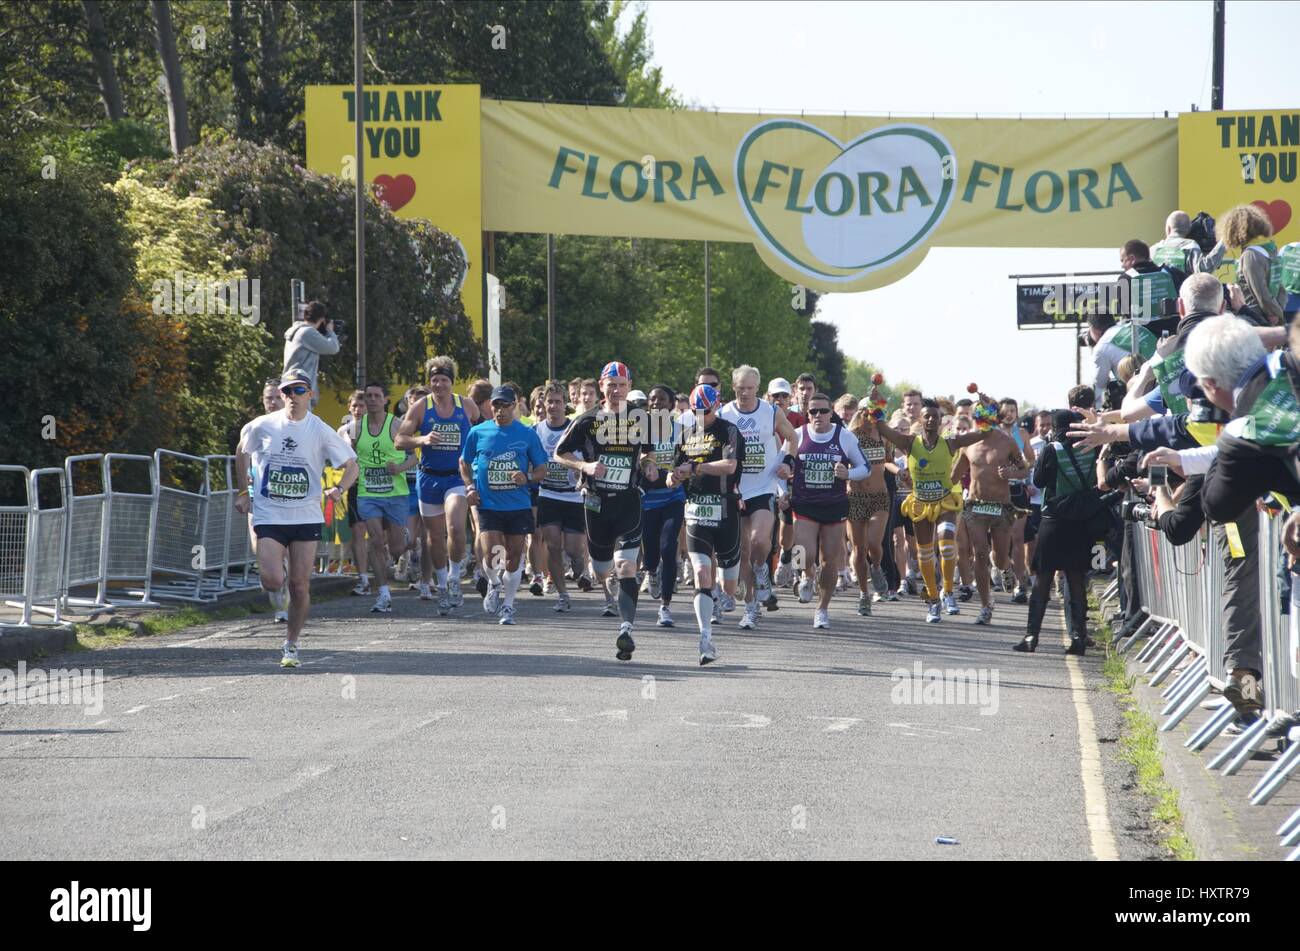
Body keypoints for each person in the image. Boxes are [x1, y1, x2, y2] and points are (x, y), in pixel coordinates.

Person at [235, 369, 358, 668]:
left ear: (310, 394)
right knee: (273, 579)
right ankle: (281, 566)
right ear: (281, 395)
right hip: (270, 512)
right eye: (288, 391)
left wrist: (339, 488)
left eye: (299, 391)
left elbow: (352, 465)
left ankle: (291, 643)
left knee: (300, 586)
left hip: (305, 516)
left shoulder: (320, 429)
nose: (293, 397)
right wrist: (242, 491)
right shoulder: (262, 425)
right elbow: (241, 451)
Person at [555, 361, 661, 661]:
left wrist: (649, 465)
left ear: (629, 387)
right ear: (602, 386)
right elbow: (559, 453)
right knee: (603, 570)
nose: (616, 390)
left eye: (622, 385)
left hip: (628, 501)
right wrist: (584, 466)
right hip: (596, 503)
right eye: (611, 385)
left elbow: (647, 452)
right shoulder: (587, 421)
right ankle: (603, 575)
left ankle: (626, 628)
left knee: (627, 566)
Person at [867, 395, 996, 623]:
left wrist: (987, 408)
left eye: (935, 417)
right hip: (920, 504)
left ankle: (948, 592)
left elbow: (985, 433)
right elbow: (880, 426)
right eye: (926, 416)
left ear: (941, 421)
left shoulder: (951, 442)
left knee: (946, 544)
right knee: (924, 553)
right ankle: (933, 600)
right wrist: (876, 402)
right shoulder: (909, 442)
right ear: (921, 418)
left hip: (945, 501)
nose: (930, 420)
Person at [395, 356, 480, 615]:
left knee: (454, 526)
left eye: (444, 380)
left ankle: (454, 577)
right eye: (434, 380)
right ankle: (442, 585)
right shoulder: (421, 407)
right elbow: (400, 440)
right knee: (434, 537)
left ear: (451, 382)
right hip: (428, 476)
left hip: (456, 475)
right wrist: (423, 439)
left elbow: (479, 431)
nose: (439, 385)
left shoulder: (466, 405)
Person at [460, 386, 549, 626]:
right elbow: (464, 462)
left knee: (513, 557)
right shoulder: (478, 432)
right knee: (492, 555)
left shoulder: (527, 434)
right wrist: (469, 487)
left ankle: (508, 605)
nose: (499, 410)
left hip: (518, 506)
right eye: (495, 405)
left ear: (515, 406)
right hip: (488, 504)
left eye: (505, 405)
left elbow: (542, 469)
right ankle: (494, 582)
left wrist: (527, 477)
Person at [720, 365, 797, 630]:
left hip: (763, 486)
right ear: (734, 387)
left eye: (750, 388)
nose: (745, 393)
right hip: (736, 488)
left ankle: (763, 568)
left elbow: (792, 436)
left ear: (758, 389)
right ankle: (751, 608)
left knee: (759, 541)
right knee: (743, 550)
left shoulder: (770, 411)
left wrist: (787, 462)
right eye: (740, 388)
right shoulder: (724, 413)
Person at [669, 384, 741, 663]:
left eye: (706, 410)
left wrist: (697, 467)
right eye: (696, 410)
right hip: (696, 510)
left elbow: (730, 465)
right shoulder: (685, 435)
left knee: (728, 585)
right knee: (701, 571)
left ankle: (729, 593)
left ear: (717, 405)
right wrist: (672, 477)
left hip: (725, 509)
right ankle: (705, 639)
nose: (701, 415)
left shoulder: (728, 431)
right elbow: (675, 471)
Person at [1015, 410, 1096, 654]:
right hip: (1081, 519)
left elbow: (1038, 481)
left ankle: (1031, 637)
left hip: (1054, 517)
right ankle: (1079, 639)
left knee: (1043, 578)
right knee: (1075, 578)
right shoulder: (1091, 447)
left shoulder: (1053, 448)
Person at [790, 392, 870, 629]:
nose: (818, 415)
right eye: (813, 411)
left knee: (830, 561)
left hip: (834, 505)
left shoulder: (844, 437)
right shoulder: (797, 435)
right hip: (804, 502)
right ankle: (804, 575)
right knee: (801, 550)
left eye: (823, 411)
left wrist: (849, 474)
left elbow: (864, 467)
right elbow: (778, 465)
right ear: (808, 414)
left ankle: (822, 609)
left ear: (831, 413)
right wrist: (780, 490)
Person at [951, 402, 1030, 625]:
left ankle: (1004, 569)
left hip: (1001, 507)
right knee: (981, 553)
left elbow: (1025, 469)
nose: (981, 423)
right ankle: (986, 605)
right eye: (978, 418)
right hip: (975, 506)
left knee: (1000, 555)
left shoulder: (1007, 442)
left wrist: (1011, 472)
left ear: (993, 419)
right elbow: (955, 475)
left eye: (984, 418)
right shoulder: (968, 443)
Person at [351, 382, 416, 614]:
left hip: (396, 493)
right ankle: (383, 593)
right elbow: (350, 457)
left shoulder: (397, 425)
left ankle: (405, 538)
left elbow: (414, 458)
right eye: (368, 396)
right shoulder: (355, 428)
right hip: (368, 493)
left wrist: (399, 468)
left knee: (398, 548)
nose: (372, 400)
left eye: (377, 396)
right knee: (376, 541)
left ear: (385, 399)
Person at [533, 383, 588, 613]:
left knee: (574, 548)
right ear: (544, 404)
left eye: (557, 401)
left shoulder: (575, 428)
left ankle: (578, 564)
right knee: (553, 545)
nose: (553, 406)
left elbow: (587, 458)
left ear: (564, 404)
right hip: (548, 493)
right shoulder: (536, 431)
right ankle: (563, 594)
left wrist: (580, 470)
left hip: (573, 496)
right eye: (549, 402)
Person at [640, 384, 687, 627]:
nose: (656, 403)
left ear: (671, 404)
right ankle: (650, 570)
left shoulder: (681, 431)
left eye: (661, 399)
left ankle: (665, 607)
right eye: (652, 399)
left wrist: (678, 474)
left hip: (673, 497)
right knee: (650, 550)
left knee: (668, 547)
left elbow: (690, 460)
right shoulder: (641, 431)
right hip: (648, 500)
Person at [846, 404, 893, 614]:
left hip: (879, 496)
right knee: (859, 548)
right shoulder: (851, 437)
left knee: (874, 542)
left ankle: (876, 567)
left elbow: (888, 462)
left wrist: (899, 470)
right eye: (865, 414)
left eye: (873, 414)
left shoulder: (883, 436)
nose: (868, 418)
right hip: (855, 497)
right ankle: (864, 594)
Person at [1218, 203, 1285, 326]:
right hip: (1275, 311)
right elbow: (1280, 286)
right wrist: (1279, 311)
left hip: (1257, 316)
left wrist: (1273, 314)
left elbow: (1260, 290)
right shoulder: (1270, 248)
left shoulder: (1250, 255)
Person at [281, 301, 339, 402]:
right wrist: (330, 331)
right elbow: (333, 348)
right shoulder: (307, 332)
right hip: (300, 387)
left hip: (290, 383)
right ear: (321, 319)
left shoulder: (296, 330)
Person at [1121, 239, 1180, 337]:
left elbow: (1126, 317)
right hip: (1174, 338)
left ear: (1131, 259)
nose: (1122, 265)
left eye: (1123, 260)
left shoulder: (1125, 279)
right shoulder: (1172, 273)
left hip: (1143, 341)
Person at [1150, 210, 1205, 275]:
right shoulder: (1191, 247)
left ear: (1168, 228)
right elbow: (1202, 271)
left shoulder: (1152, 250)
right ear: (1189, 230)